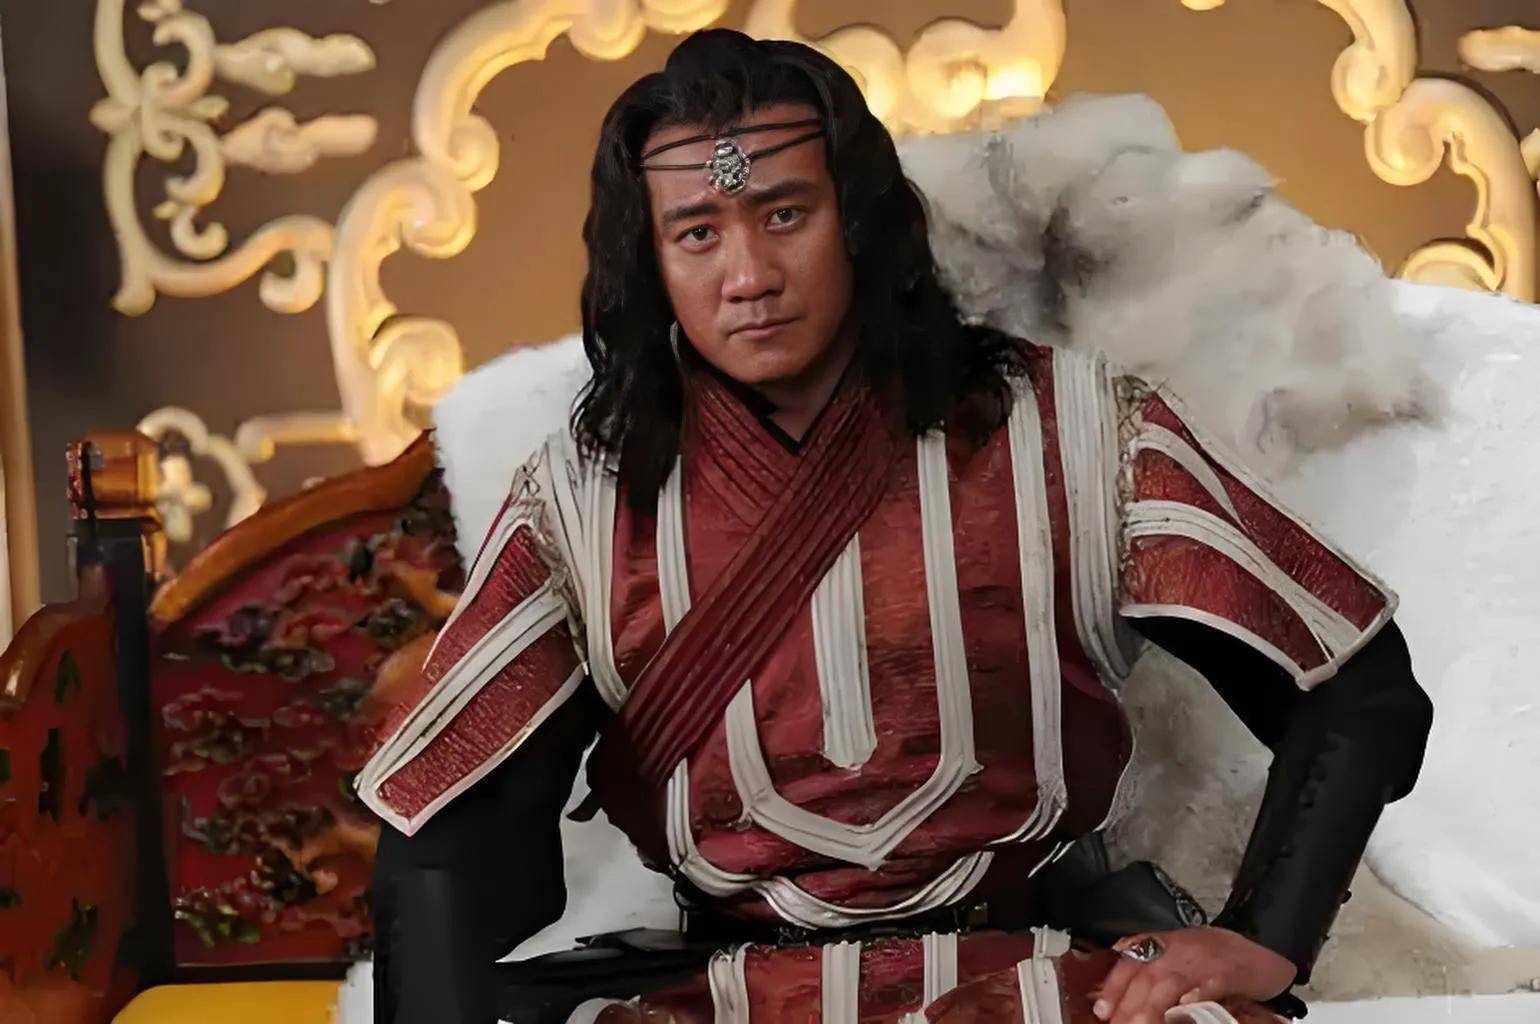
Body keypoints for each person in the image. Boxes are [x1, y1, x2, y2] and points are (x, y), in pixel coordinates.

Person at [359, 29, 1432, 1024]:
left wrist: (1265, 938)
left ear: (861, 220)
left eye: (786, 215)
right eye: (697, 233)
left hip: (1038, 981)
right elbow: (447, 827)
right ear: (651, 260)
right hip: (723, 993)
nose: (748, 276)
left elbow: (1356, 688)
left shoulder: (1077, 429)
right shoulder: (581, 501)